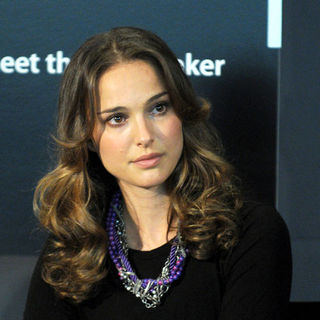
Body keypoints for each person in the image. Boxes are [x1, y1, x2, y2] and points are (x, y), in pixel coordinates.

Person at [24, 27, 292, 320]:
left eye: (158, 108)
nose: (144, 136)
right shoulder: (72, 249)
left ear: (182, 112)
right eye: (117, 118)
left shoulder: (250, 233)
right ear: (87, 136)